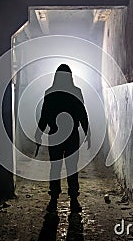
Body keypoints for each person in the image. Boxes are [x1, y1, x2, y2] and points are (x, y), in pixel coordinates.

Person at [35, 64, 90, 213]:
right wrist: (87, 132)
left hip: (55, 134)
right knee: (72, 168)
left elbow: (45, 115)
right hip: (72, 134)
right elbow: (82, 114)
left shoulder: (50, 92)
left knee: (55, 167)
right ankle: (73, 199)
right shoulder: (76, 91)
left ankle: (53, 199)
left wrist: (39, 133)